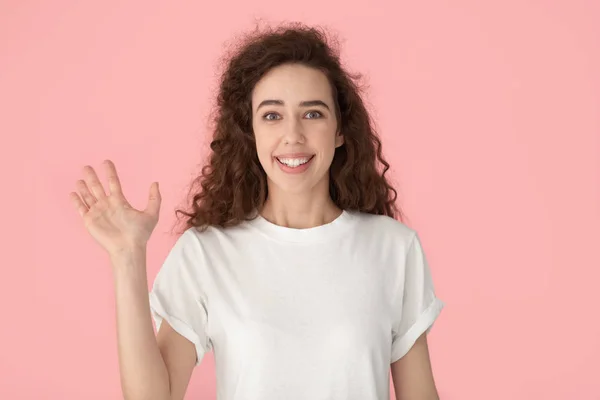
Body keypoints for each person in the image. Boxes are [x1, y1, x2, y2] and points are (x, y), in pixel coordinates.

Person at [70, 22, 445, 400]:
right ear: (250, 132)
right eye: (271, 115)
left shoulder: (394, 249)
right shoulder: (207, 253)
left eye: (313, 114)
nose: (293, 135)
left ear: (340, 130)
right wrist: (127, 257)